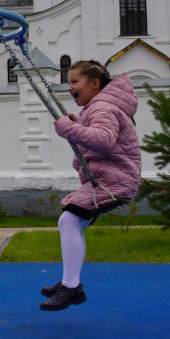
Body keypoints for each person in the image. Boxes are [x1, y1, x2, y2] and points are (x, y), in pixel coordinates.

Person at [40, 59, 140, 311]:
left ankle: (71, 286)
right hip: (111, 179)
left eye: (75, 81)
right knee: (71, 221)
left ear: (95, 84)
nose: (70, 87)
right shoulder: (100, 107)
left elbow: (104, 139)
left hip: (114, 180)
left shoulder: (103, 107)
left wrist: (68, 129)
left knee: (69, 220)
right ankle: (70, 283)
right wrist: (78, 123)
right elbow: (100, 133)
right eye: (69, 81)